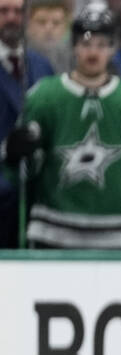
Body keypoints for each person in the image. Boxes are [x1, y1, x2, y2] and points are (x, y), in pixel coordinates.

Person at [6, 6, 121, 248]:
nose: (93, 52)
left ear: (113, 48)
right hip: (54, 232)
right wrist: (15, 155)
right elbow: (27, 171)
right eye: (86, 44)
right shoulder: (44, 96)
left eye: (101, 44)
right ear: (74, 46)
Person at [1, 0, 55, 248]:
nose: (12, 18)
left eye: (18, 11)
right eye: (3, 11)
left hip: (36, 193)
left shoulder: (42, 65)